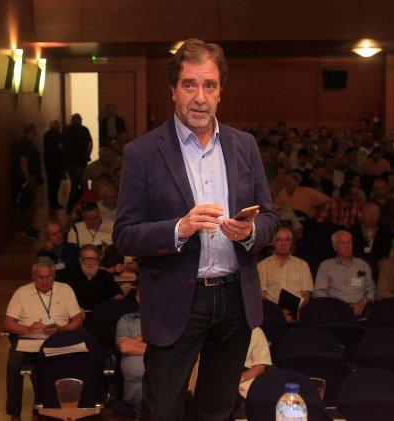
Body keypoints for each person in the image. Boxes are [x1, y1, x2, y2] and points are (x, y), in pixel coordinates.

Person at [112, 39, 279, 420]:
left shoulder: (244, 145)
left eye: (209, 85)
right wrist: (179, 228)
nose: (199, 97)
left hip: (235, 297)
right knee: (162, 410)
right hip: (176, 301)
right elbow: (124, 234)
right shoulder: (142, 153)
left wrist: (249, 233)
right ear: (173, 90)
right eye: (189, 84)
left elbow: (270, 217)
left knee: (218, 411)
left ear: (221, 91)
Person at [3, 257, 83, 421]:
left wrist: (62, 328)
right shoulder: (22, 292)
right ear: (33, 275)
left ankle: (40, 409)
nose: (45, 281)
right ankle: (14, 413)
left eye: (49, 277)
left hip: (57, 340)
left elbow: (78, 319)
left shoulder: (65, 289)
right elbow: (7, 323)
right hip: (29, 341)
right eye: (40, 277)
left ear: (54, 275)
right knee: (14, 363)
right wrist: (27, 328)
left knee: (53, 364)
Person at [258, 227, 314, 323]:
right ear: (272, 242)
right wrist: (279, 312)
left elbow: (306, 294)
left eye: (287, 240)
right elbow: (262, 295)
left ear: (292, 243)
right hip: (271, 317)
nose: (283, 244)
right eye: (279, 240)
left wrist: (294, 311)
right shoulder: (262, 266)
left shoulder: (302, 265)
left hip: (297, 316)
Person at [313, 231, 375, 316]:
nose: (347, 246)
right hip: (335, 311)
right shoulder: (326, 266)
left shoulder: (363, 265)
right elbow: (319, 292)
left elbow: (371, 290)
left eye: (349, 242)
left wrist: (363, 302)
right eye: (343, 243)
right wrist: (334, 306)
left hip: (360, 309)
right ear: (335, 247)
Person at [64, 244, 124, 311]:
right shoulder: (70, 275)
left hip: (101, 314)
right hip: (77, 314)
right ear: (80, 260)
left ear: (98, 260)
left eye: (94, 259)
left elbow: (118, 293)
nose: (90, 262)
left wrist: (116, 299)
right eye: (87, 259)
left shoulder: (105, 275)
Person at [116, 288, 145, 416]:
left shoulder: (171, 319)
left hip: (166, 381)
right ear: (138, 297)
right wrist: (157, 345)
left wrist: (139, 340)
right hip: (137, 388)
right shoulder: (127, 319)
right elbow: (125, 347)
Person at [349, 202, 394, 279]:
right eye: (368, 213)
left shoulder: (386, 231)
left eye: (375, 214)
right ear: (362, 214)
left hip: (379, 267)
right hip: (357, 266)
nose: (371, 217)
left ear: (379, 216)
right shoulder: (353, 231)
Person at [14, 123, 42, 239]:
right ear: (32, 130)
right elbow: (23, 161)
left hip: (32, 177)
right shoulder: (26, 143)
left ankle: (30, 227)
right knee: (26, 205)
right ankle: (27, 229)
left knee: (30, 204)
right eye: (35, 129)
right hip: (28, 179)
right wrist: (27, 179)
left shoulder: (28, 143)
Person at [61, 113, 93, 214]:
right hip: (81, 161)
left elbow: (61, 145)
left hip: (70, 162)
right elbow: (89, 144)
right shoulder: (84, 130)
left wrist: (65, 156)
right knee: (82, 183)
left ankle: (72, 208)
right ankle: (84, 206)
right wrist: (87, 155)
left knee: (75, 184)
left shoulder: (66, 130)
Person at [42, 120, 65, 210]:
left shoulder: (46, 135)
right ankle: (54, 202)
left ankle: (51, 201)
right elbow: (61, 148)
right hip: (57, 162)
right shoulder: (59, 136)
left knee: (50, 182)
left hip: (48, 162)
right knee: (56, 183)